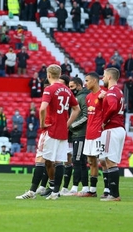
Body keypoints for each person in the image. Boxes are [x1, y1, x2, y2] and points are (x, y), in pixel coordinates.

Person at [17, 64, 79, 200]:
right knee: (59, 161)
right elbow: (77, 109)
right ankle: (56, 192)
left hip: (50, 130)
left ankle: (32, 192)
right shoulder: (67, 90)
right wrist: (66, 124)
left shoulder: (49, 89)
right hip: (62, 132)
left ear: (48, 75)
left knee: (40, 159)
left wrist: (42, 123)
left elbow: (42, 108)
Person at [98, 68, 127, 201]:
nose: (102, 78)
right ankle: (111, 192)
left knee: (110, 161)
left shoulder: (111, 92)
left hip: (112, 129)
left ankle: (114, 194)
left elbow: (113, 107)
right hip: (118, 128)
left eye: (104, 76)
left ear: (109, 77)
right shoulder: (119, 91)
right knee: (107, 160)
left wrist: (104, 121)